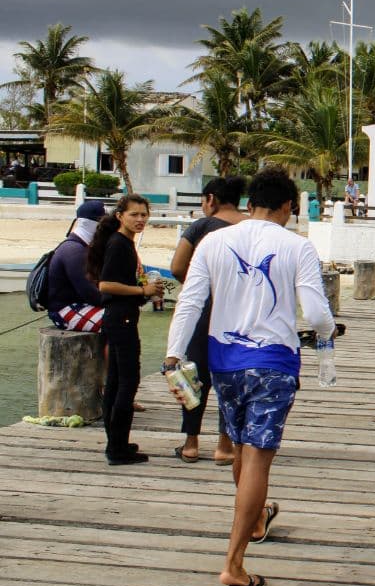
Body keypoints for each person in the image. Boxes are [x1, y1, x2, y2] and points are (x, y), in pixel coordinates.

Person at [164, 167, 335, 586]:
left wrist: (172, 355)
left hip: (224, 362)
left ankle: (257, 520)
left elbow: (190, 301)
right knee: (258, 457)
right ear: (286, 206)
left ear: (250, 201)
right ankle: (234, 564)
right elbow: (315, 314)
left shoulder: (213, 241)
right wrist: (329, 333)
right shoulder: (297, 246)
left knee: (240, 447)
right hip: (273, 363)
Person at [170, 177, 248, 465]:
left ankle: (191, 443)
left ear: (211, 199)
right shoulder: (249, 228)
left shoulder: (201, 227)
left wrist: (199, 286)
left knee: (195, 376)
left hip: (204, 312)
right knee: (231, 377)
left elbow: (177, 267)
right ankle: (224, 445)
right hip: (239, 313)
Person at [86, 194, 164, 465]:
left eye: (144, 214)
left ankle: (117, 444)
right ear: (120, 216)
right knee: (127, 383)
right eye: (135, 214)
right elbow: (106, 285)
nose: (140, 219)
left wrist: (144, 291)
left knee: (118, 382)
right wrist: (142, 290)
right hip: (121, 320)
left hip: (120, 317)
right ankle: (117, 449)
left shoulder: (124, 242)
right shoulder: (119, 244)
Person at [46, 199, 108, 332]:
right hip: (65, 310)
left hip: (76, 305)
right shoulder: (74, 250)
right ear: (94, 225)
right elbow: (90, 293)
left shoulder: (79, 245)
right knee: (117, 321)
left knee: (122, 316)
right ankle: (111, 353)